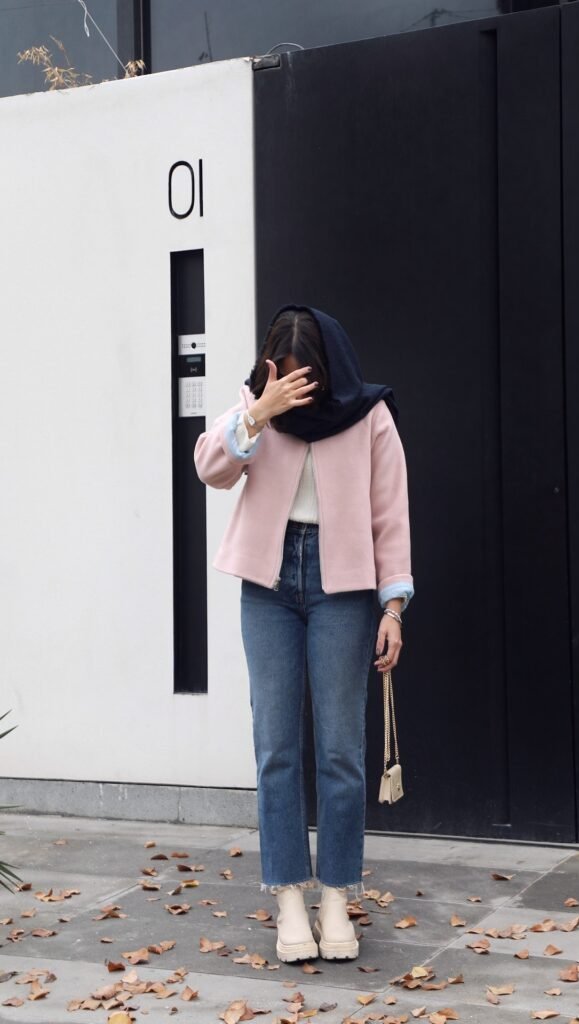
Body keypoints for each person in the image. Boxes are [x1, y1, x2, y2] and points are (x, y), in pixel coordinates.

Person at [193, 303, 413, 964]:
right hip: (265, 586)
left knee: (342, 749)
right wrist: (259, 410)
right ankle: (288, 896)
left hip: (341, 587)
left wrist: (393, 605)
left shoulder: (368, 415)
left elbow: (390, 514)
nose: (295, 390)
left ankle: (336, 895)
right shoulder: (256, 409)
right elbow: (210, 468)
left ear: (328, 367)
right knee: (276, 747)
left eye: (302, 379)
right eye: (282, 376)